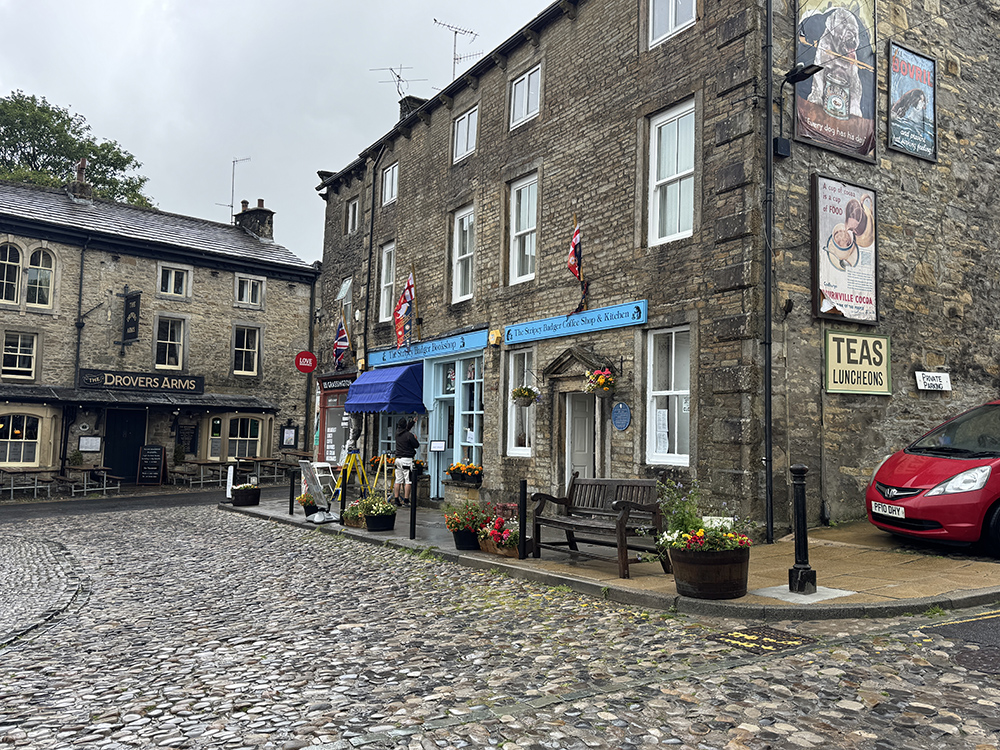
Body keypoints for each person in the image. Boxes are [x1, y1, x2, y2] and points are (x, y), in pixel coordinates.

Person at [393, 416, 419, 507]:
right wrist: (415, 438)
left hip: (398, 460)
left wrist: (412, 422)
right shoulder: (409, 435)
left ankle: (396, 500)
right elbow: (416, 445)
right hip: (407, 460)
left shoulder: (397, 434)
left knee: (398, 480)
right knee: (408, 481)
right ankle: (406, 500)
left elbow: (406, 429)